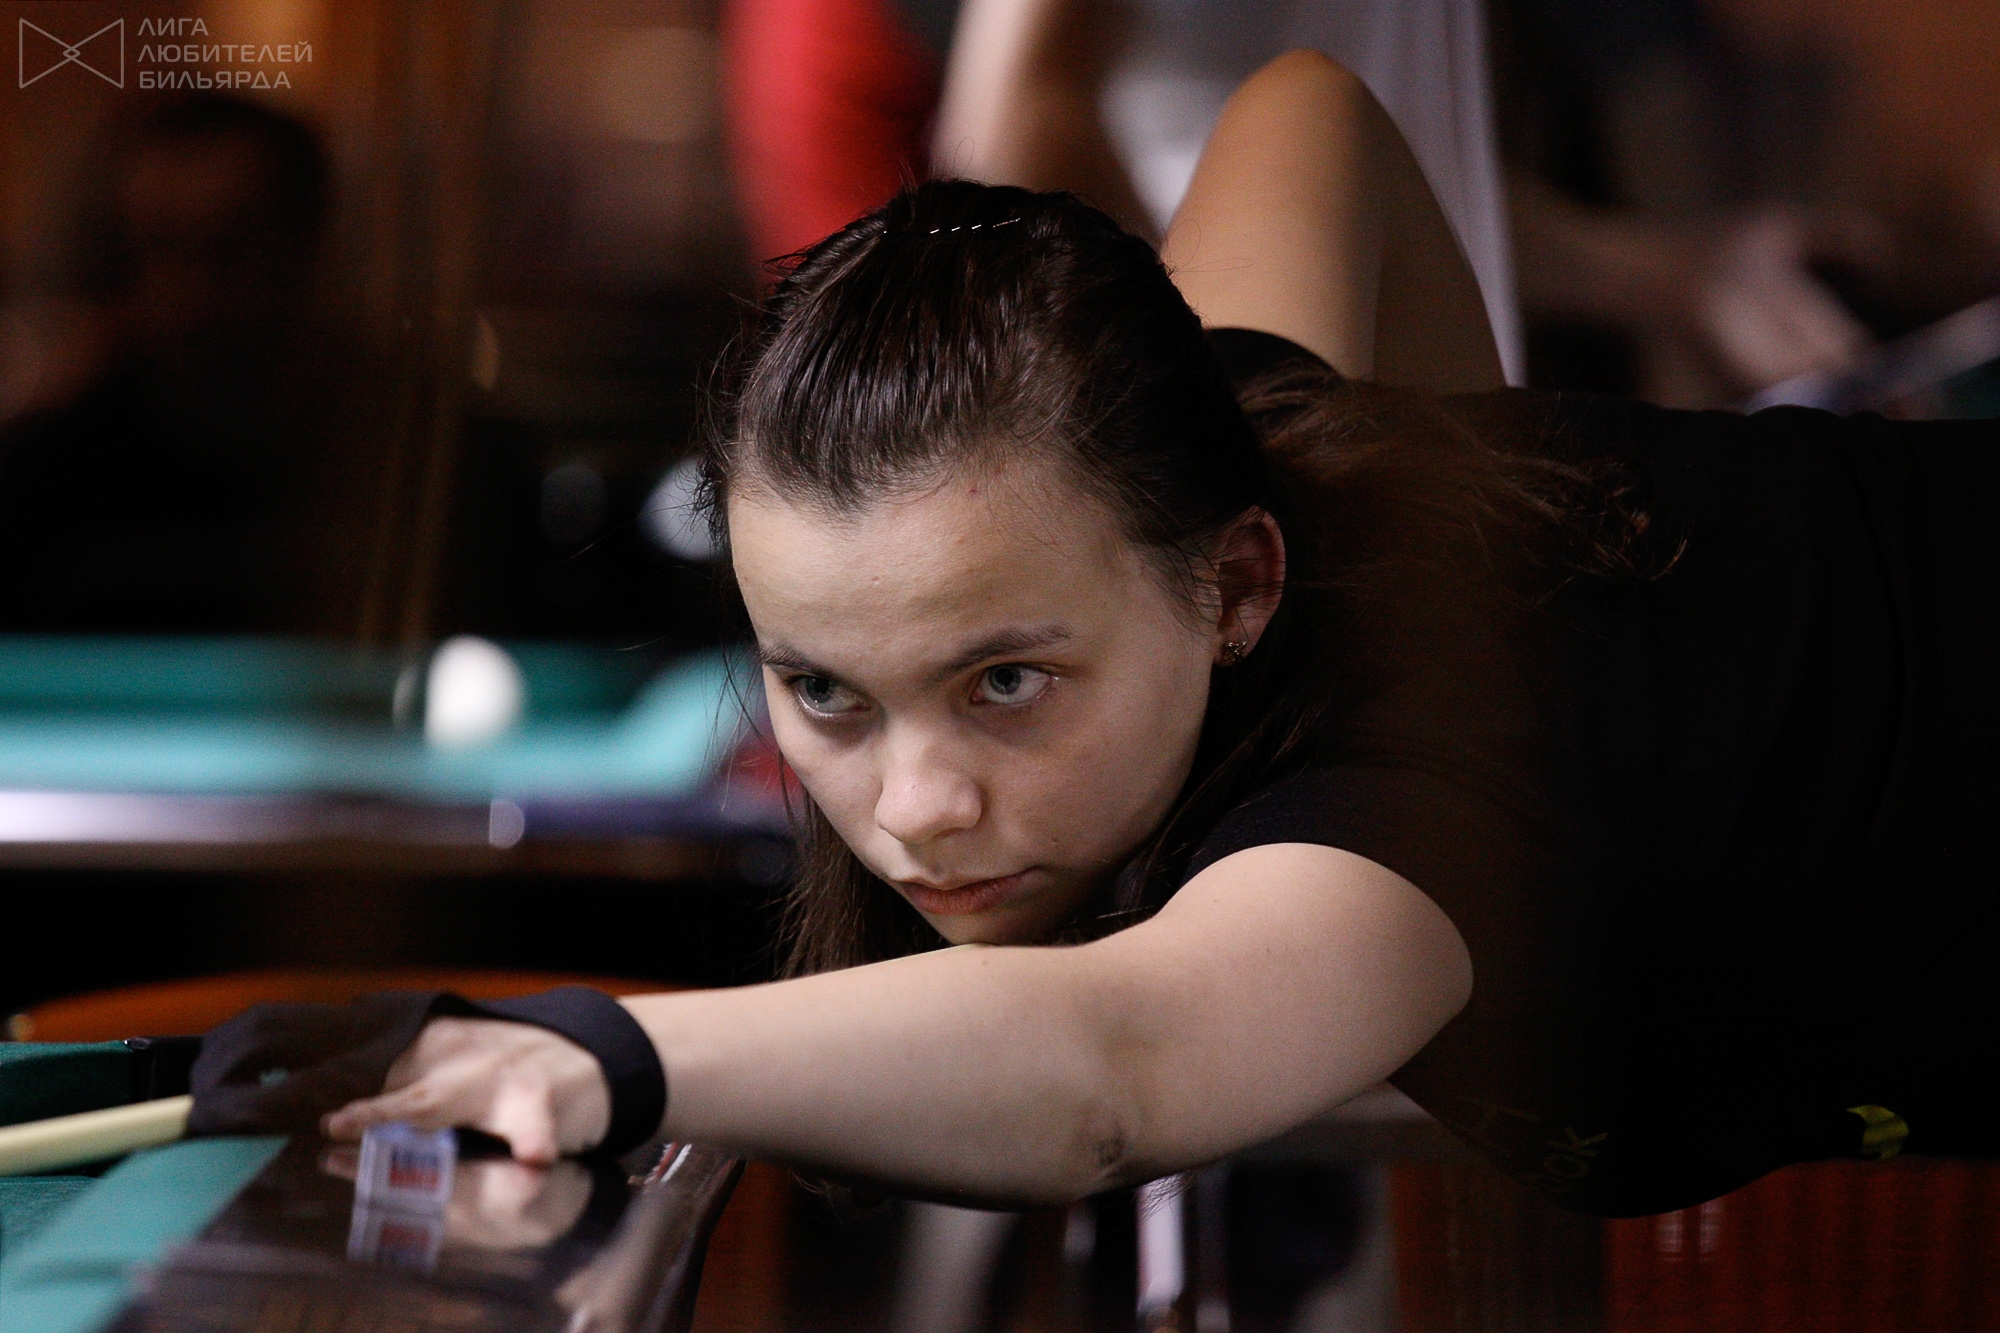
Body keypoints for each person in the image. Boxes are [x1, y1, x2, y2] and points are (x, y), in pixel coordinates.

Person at [208, 50, 2000, 1219]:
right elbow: (1310, 112)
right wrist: (1460, 500)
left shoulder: (1404, 811)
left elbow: (1114, 1067)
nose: (916, 808)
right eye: (824, 690)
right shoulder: (1207, 435)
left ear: (1239, 586)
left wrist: (611, 1052)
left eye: (1007, 681)